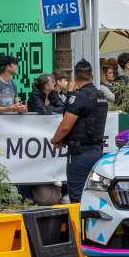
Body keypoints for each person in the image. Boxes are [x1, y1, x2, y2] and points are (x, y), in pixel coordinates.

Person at [51, 60, 110, 203]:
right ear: (91, 76)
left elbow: (66, 126)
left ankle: (79, 225)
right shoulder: (101, 97)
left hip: (80, 154)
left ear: (75, 78)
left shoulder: (79, 97)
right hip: (97, 152)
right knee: (97, 196)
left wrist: (55, 140)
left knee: (77, 197)